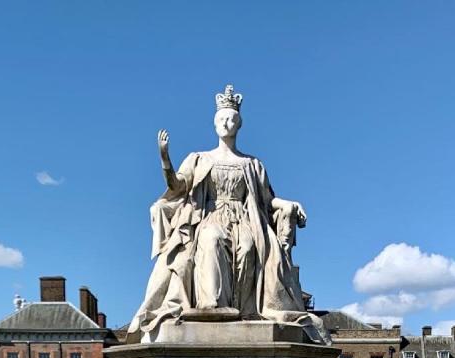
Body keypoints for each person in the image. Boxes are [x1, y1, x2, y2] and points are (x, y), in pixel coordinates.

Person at [127, 84, 326, 344]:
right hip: (209, 216)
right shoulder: (199, 159)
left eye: (231, 118)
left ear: (238, 124)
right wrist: (165, 159)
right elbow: (177, 187)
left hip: (244, 219)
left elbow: (267, 201)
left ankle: (245, 311)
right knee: (211, 240)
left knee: (249, 245)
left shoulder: (252, 164)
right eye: (222, 118)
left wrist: (289, 204)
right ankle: (213, 307)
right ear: (215, 123)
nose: (226, 123)